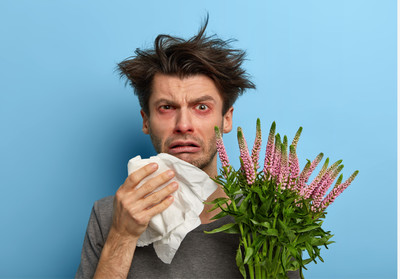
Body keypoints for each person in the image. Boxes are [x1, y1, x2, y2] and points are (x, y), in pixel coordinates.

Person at [76, 18, 300, 279]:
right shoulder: (109, 216)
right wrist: (122, 236)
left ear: (226, 119)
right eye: (167, 108)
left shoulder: (269, 218)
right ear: (146, 121)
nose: (183, 125)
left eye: (202, 107)